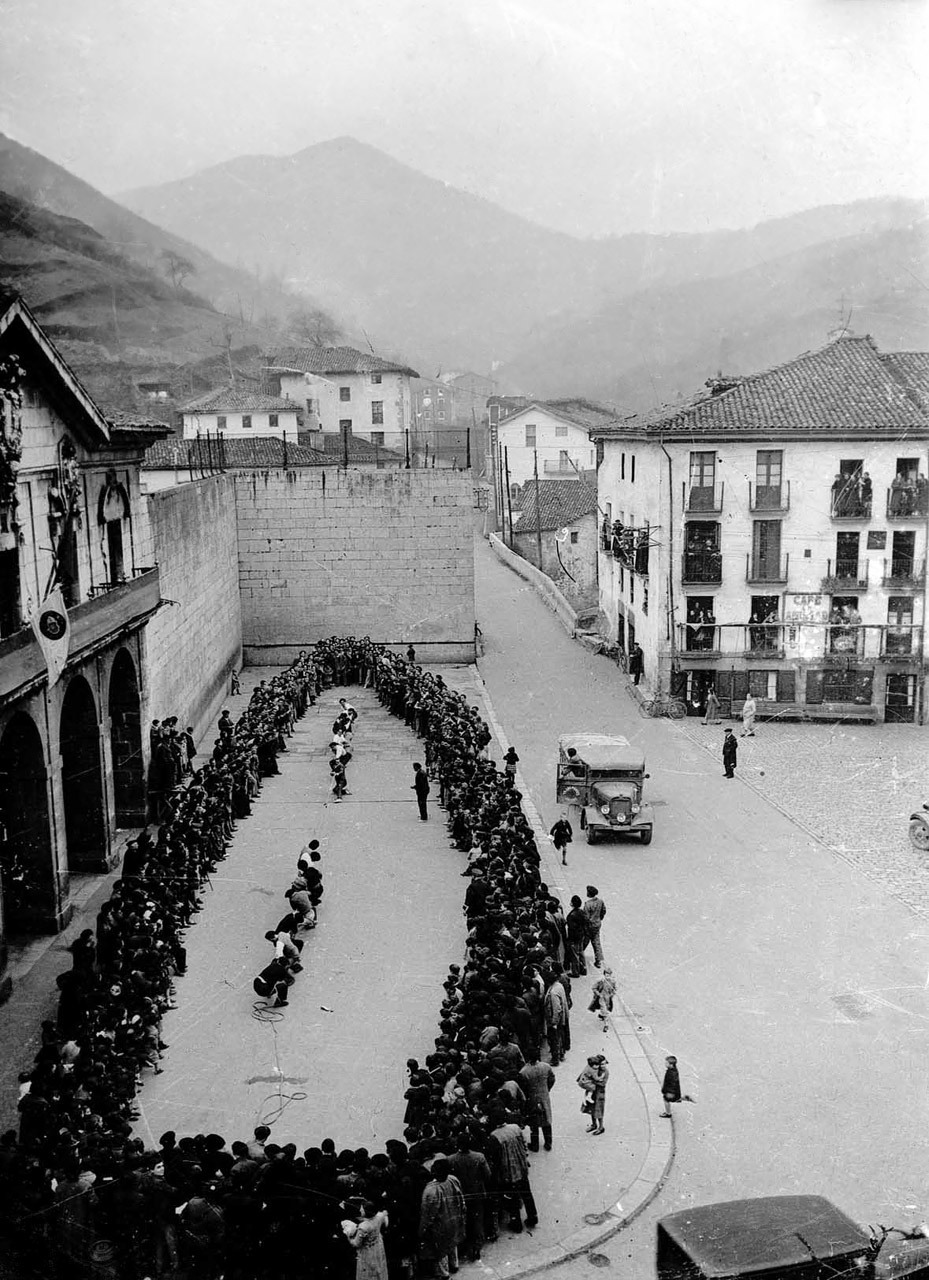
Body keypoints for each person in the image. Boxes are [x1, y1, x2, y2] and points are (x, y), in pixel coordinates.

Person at [488, 1112, 538, 1233]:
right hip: (521, 1166)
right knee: (527, 1193)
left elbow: (496, 1158)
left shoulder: (494, 1136)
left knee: (512, 1197)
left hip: (508, 1171)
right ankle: (533, 1217)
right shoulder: (515, 1127)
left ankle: (516, 1224)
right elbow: (524, 1144)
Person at [447, 1137, 493, 1263]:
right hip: (477, 1193)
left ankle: (464, 1245)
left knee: (463, 1220)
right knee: (477, 1220)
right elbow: (488, 1175)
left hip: (461, 1195)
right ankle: (477, 1247)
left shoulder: (450, 1159)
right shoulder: (479, 1157)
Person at [419, 1157, 466, 1278]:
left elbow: (428, 1214)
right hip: (454, 1218)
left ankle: (444, 1273)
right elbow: (461, 1198)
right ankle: (454, 1264)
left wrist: (422, 1229)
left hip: (440, 1224)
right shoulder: (452, 1179)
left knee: (440, 1251)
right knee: (452, 1243)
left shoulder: (430, 1190)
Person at [518, 1048, 555, 1152]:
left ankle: (535, 1145)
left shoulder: (524, 1072)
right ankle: (548, 1143)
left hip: (532, 1099)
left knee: (534, 1122)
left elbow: (523, 1088)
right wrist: (547, 1089)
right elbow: (552, 1079)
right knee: (546, 1119)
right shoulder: (546, 1067)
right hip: (544, 1096)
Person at [345, 1201, 390, 1280]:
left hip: (367, 1252)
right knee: (379, 1268)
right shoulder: (379, 1216)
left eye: (362, 1210)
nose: (360, 1210)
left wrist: (348, 1236)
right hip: (378, 1246)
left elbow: (356, 1244)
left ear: (367, 1212)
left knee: (368, 1272)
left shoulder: (363, 1227)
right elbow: (385, 1220)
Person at [576, 1055, 609, 1135]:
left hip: (599, 1093)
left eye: (605, 1064)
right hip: (592, 1091)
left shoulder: (605, 1072)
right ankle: (594, 1124)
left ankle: (601, 1127)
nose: (603, 1066)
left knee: (599, 1110)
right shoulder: (594, 1069)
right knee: (591, 1108)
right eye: (601, 1064)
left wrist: (591, 1081)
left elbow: (602, 1083)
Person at [582, 885, 606, 969]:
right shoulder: (600, 901)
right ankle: (598, 961)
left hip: (589, 926)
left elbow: (586, 917)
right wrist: (599, 919)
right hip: (597, 924)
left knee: (585, 941)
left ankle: (579, 956)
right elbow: (603, 911)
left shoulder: (588, 904)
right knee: (596, 942)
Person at [565, 895, 589, 976]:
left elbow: (571, 928)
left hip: (574, 937)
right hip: (581, 935)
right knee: (581, 952)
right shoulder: (582, 912)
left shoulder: (571, 915)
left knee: (574, 955)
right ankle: (584, 968)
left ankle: (575, 972)